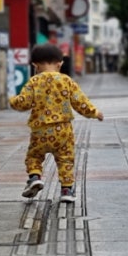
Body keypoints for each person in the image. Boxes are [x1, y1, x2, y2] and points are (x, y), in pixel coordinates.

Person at [9, 43, 104, 203]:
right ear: (60, 63)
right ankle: (66, 190)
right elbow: (80, 102)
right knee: (66, 159)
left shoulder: (34, 82)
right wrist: (95, 112)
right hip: (63, 130)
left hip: (40, 131)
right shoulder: (66, 81)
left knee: (34, 156)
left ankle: (35, 177)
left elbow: (23, 103)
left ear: (35, 65)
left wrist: (12, 101)